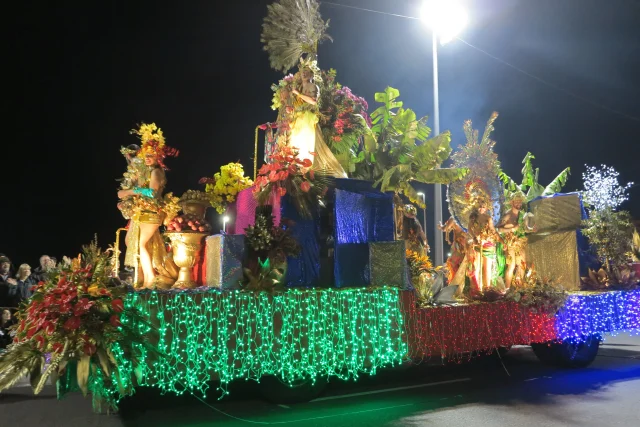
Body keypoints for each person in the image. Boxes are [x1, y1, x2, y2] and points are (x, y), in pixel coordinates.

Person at [118, 123, 179, 289]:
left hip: (152, 213)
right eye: (146, 154)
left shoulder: (156, 172)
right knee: (132, 241)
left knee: (141, 244)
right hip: (142, 212)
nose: (147, 157)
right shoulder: (148, 170)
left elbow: (152, 192)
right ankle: (143, 278)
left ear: (158, 156)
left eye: (151, 155)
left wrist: (130, 192)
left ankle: (150, 279)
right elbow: (136, 172)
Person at [281, 58, 347, 178]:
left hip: (307, 120)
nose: (304, 73)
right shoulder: (299, 88)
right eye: (302, 71)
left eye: (307, 71)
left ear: (312, 74)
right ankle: (297, 170)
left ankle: (307, 170)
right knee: (295, 146)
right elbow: (298, 105)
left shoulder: (312, 86)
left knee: (307, 145)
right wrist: (291, 110)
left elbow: (313, 101)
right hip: (298, 120)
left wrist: (298, 94)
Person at [497, 192, 535, 287]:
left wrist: (531, 230)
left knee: (522, 264)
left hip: (521, 242)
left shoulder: (522, 215)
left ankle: (519, 288)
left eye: (520, 202)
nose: (518, 204)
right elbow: (498, 229)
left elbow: (524, 229)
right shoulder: (507, 215)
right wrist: (512, 229)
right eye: (516, 202)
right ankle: (507, 288)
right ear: (512, 202)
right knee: (511, 265)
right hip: (510, 243)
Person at [467, 195, 503, 293]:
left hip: (488, 244)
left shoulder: (488, 218)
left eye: (483, 207)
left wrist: (501, 240)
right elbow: (469, 229)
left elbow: (492, 230)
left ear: (486, 208)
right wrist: (474, 238)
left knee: (487, 268)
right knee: (476, 267)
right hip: (477, 244)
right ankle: (476, 289)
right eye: (479, 206)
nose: (481, 208)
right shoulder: (473, 217)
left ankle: (487, 289)